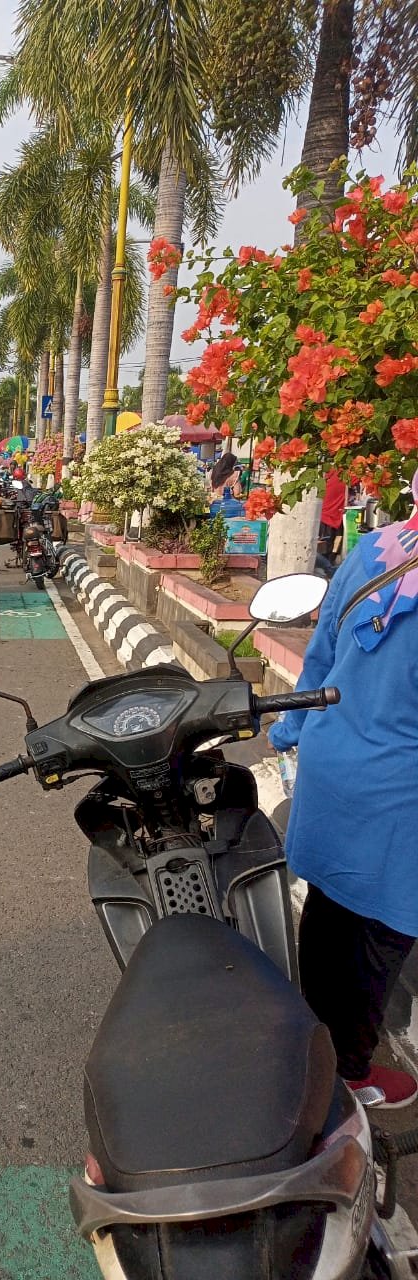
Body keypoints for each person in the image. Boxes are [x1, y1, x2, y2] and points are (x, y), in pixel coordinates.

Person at [268, 470, 418, 1108]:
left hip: (332, 769)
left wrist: (291, 727)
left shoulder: (373, 550)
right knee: (379, 941)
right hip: (400, 796)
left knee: (328, 912)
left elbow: (320, 657)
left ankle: (316, 1040)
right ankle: (350, 1072)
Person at [315, 469, 347, 579]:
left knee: (331, 548)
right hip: (329, 517)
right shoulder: (345, 474)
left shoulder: (331, 473)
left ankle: (328, 571)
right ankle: (329, 570)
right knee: (326, 549)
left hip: (332, 517)